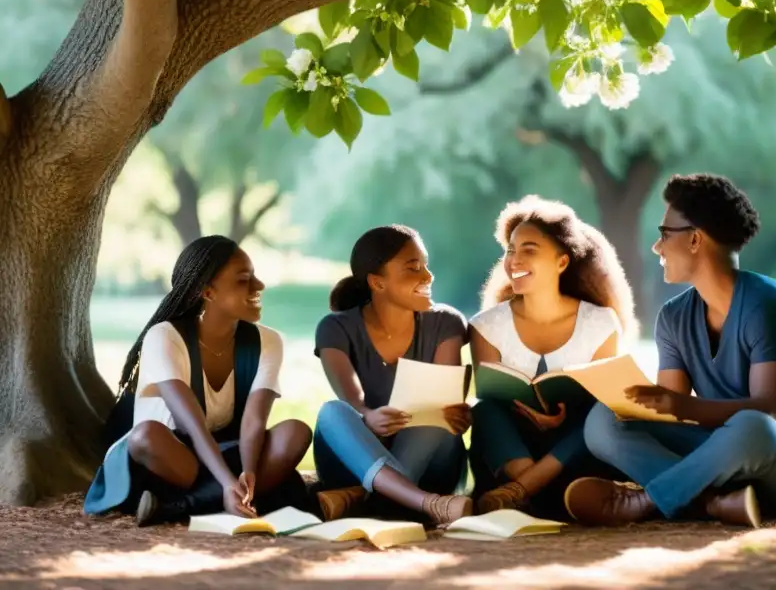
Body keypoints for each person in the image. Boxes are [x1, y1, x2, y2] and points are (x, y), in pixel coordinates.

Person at [566, 174, 776, 529]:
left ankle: (647, 499)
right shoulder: (674, 317)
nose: (656, 247)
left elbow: (775, 413)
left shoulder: (771, 305)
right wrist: (641, 402)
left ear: (695, 239)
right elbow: (674, 412)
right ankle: (714, 503)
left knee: (751, 426)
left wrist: (680, 406)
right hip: (719, 460)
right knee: (603, 420)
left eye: (664, 234)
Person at [84, 236, 312, 526]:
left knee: (296, 432)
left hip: (229, 449)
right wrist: (227, 482)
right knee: (145, 436)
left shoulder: (268, 341)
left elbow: (254, 420)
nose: (259, 286)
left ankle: (180, 507)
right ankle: (227, 496)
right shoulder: (164, 337)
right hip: (171, 458)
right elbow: (189, 422)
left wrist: (249, 472)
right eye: (244, 280)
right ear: (208, 292)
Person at [468, 195, 636, 518]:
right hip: (512, 449)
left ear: (562, 262)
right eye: (510, 250)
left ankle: (522, 492)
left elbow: (604, 402)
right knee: (484, 410)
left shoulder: (600, 323)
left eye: (528, 250)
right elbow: (492, 396)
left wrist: (563, 415)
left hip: (572, 450)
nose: (514, 260)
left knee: (601, 413)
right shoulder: (485, 326)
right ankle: (535, 489)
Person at [312, 225, 473, 527]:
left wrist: (455, 414)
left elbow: (444, 398)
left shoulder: (446, 323)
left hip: (431, 463)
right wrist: (368, 417)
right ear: (377, 282)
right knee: (332, 412)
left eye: (426, 265)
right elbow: (353, 400)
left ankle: (362, 499)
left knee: (434, 416)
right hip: (355, 458)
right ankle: (423, 504)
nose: (427, 276)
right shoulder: (335, 328)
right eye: (413, 268)